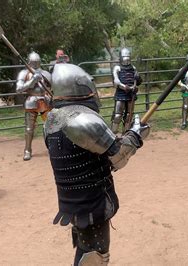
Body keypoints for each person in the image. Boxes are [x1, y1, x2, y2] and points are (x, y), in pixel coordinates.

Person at [44, 63, 150, 265]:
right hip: (92, 201)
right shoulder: (82, 121)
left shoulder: (52, 120)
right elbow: (117, 157)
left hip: (73, 200)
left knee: (86, 251)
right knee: (96, 257)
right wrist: (135, 135)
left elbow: (88, 156)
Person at [15, 51, 52, 161]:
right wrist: (32, 81)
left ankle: (52, 148)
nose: (35, 64)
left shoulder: (45, 73)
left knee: (50, 126)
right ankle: (27, 150)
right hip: (31, 101)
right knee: (29, 128)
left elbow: (52, 87)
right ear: (29, 62)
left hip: (45, 101)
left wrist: (49, 94)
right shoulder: (24, 73)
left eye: (37, 62)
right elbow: (19, 89)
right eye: (33, 62)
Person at [111, 47, 142, 134]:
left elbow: (138, 82)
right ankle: (113, 134)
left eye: (128, 57)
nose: (126, 59)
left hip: (131, 94)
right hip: (121, 94)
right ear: (121, 57)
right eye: (125, 57)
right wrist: (125, 87)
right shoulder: (117, 68)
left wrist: (138, 79)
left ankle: (125, 132)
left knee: (129, 115)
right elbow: (116, 82)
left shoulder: (133, 68)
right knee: (117, 116)